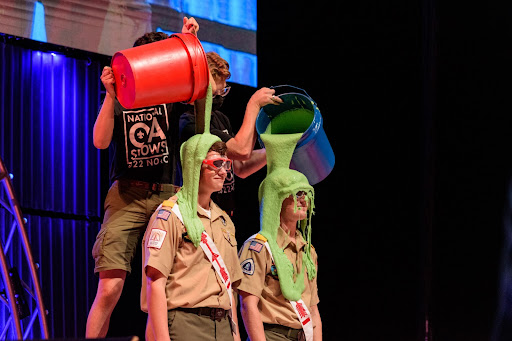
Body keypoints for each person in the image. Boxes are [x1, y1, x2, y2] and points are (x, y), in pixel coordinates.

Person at [86, 17, 201, 338]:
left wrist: (187, 40)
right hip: (126, 194)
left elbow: (194, 74)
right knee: (110, 287)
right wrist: (109, 95)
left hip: (167, 194)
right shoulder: (122, 98)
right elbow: (99, 141)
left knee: (161, 288)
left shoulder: (174, 96)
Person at [141, 133, 243, 340]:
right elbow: (155, 283)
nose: (223, 172)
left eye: (226, 165)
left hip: (223, 326)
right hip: (186, 324)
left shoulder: (225, 221)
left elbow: (230, 288)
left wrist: (235, 336)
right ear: (195, 165)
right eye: (216, 163)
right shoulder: (170, 215)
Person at [237, 133, 322, 341]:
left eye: (305, 193)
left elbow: (313, 311)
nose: (303, 199)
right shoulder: (258, 247)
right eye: (296, 193)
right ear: (277, 199)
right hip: (272, 334)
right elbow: (249, 305)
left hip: (304, 334)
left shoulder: (308, 250)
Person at [179, 51, 282, 215]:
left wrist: (276, 148)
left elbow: (240, 166)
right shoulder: (189, 122)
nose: (220, 98)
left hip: (224, 213)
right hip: (199, 212)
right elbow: (242, 151)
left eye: (223, 91)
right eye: (215, 93)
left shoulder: (220, 118)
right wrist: (254, 105)